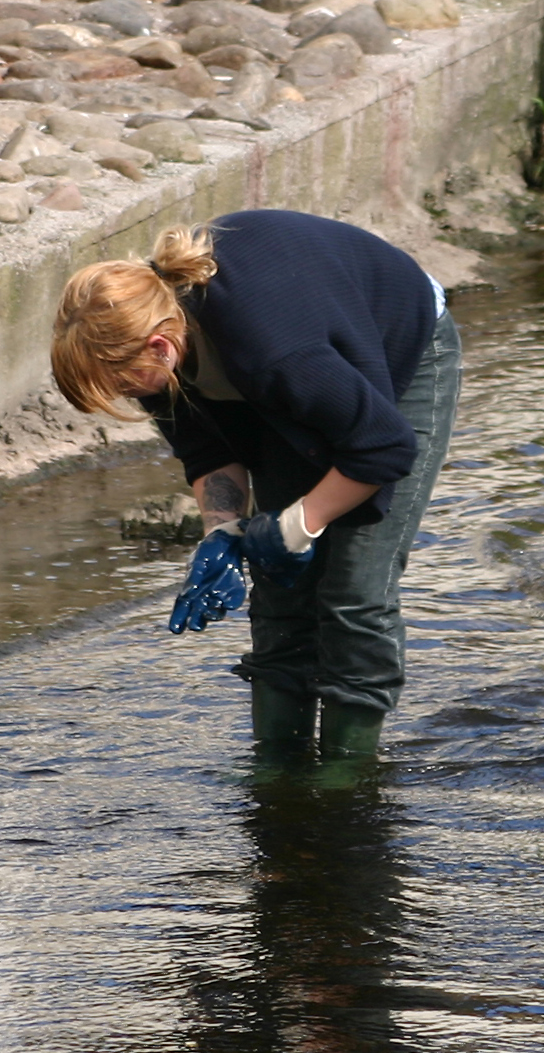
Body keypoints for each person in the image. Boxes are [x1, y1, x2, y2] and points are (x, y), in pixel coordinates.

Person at [50, 210, 462, 759]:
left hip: (400, 346)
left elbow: (383, 447)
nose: (127, 398)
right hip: (295, 368)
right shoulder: (147, 343)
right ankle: (279, 761)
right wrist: (223, 531)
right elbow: (205, 449)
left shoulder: (274, 351)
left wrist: (298, 523)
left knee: (353, 591)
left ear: (160, 347)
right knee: (280, 585)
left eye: (124, 386)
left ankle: (348, 776)